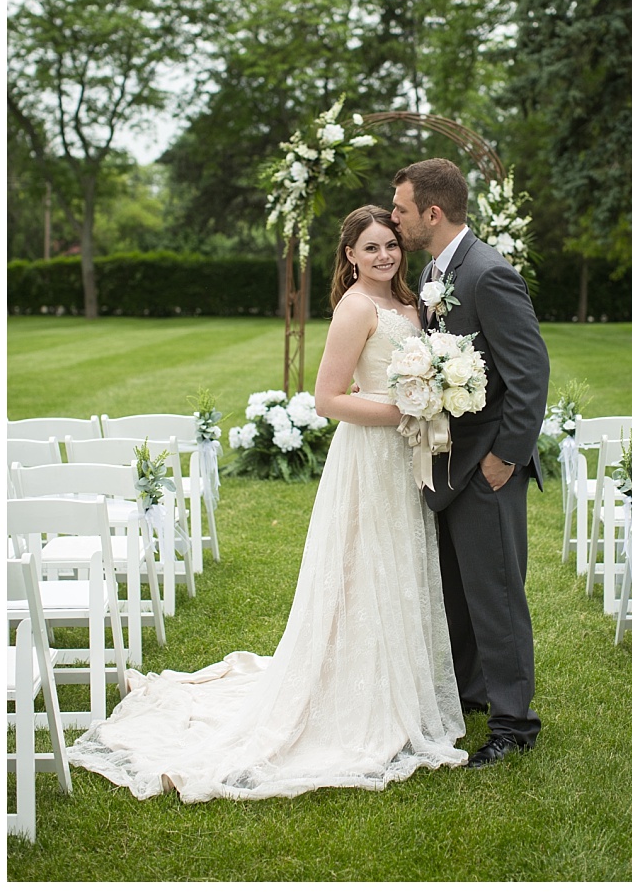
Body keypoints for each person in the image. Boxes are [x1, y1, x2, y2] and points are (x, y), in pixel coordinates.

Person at [70, 205, 468, 800]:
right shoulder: (355, 307)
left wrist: (433, 398)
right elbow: (329, 398)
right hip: (368, 453)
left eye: (390, 244)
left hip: (404, 455)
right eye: (371, 248)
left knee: (398, 564)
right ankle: (346, 694)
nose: (384, 256)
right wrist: (405, 410)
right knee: (359, 566)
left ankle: (395, 683)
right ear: (350, 256)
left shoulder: (412, 306)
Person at [391, 158, 550, 768]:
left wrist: (504, 459)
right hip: (450, 465)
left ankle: (515, 724)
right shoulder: (438, 271)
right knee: (458, 590)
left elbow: (529, 373)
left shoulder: (488, 274)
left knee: (497, 593)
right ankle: (472, 692)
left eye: (401, 209)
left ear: (432, 213)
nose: (396, 218)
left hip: (487, 466)